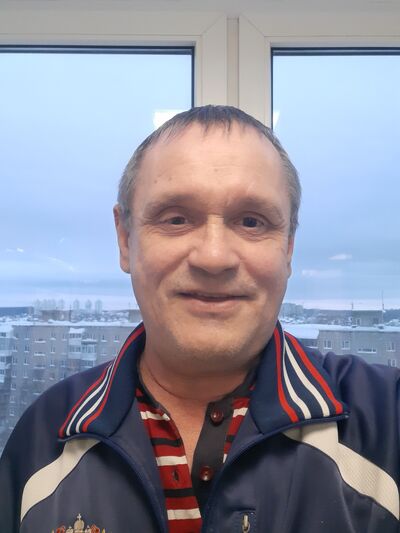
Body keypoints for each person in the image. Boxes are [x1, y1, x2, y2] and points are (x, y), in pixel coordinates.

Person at [0, 105, 399, 533]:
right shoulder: (44, 435)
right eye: (176, 219)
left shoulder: (386, 421)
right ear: (125, 239)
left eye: (252, 221)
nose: (213, 257)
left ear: (288, 248)